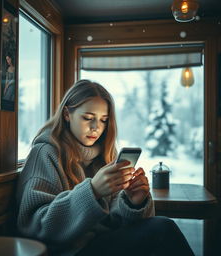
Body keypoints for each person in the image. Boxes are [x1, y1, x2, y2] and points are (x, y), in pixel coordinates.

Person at [16, 79, 195, 256]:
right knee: (162, 229)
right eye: (88, 118)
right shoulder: (46, 153)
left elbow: (116, 221)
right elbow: (36, 226)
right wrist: (93, 191)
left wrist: (133, 202)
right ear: (66, 114)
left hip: (102, 242)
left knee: (162, 228)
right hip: (71, 251)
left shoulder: (104, 156)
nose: (96, 128)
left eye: (103, 120)